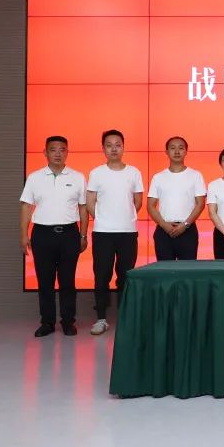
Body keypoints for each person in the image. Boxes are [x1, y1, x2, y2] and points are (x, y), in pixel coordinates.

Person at [20, 135, 87, 338]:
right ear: (45, 152)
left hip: (69, 234)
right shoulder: (34, 177)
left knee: (67, 281)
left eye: (62, 150)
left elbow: (83, 209)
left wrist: (83, 235)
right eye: (53, 150)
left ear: (67, 152)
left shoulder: (78, 177)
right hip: (42, 235)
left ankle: (68, 322)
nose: (58, 154)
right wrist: (23, 235)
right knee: (45, 281)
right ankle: (47, 322)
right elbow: (26, 207)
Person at [85, 129, 144, 336]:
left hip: (127, 232)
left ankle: (125, 317)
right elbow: (90, 202)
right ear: (103, 149)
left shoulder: (134, 172)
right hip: (103, 233)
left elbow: (138, 201)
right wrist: (103, 218)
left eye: (118, 145)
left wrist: (124, 217)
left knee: (126, 276)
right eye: (109, 145)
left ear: (123, 147)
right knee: (102, 275)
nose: (114, 149)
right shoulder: (96, 173)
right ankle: (101, 319)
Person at [147, 136, 206, 261]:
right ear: (166, 152)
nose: (177, 151)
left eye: (181, 148)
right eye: (173, 148)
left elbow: (200, 204)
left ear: (186, 151)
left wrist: (185, 225)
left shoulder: (195, 175)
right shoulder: (158, 177)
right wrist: (165, 226)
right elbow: (150, 206)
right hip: (164, 230)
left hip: (187, 230)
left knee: (187, 271)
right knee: (164, 270)